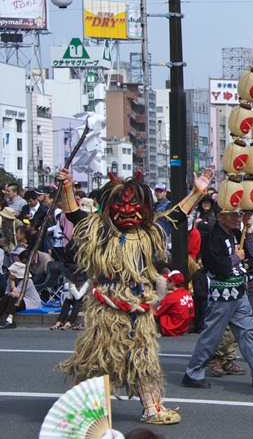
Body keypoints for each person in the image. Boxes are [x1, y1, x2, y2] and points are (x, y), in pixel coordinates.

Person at [56, 166, 212, 425]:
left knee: (145, 359)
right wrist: (66, 186)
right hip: (107, 309)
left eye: (135, 204)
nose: (128, 210)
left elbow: (176, 215)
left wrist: (197, 192)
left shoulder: (149, 231)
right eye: (121, 204)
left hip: (139, 310)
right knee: (96, 361)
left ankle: (152, 408)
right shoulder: (99, 230)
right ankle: (83, 410)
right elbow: (73, 213)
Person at [182, 208, 253, 395]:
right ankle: (193, 372)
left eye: (238, 215)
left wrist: (248, 229)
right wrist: (235, 258)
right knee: (212, 335)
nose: (237, 218)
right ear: (219, 217)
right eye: (232, 215)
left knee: (249, 331)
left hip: (239, 291)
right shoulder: (211, 238)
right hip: (222, 293)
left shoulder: (236, 233)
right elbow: (218, 266)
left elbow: (251, 253)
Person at [0, 261, 42, 329]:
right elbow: (7, 292)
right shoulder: (10, 279)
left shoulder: (27, 281)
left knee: (13, 298)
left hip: (30, 302)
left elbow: (17, 294)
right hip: (19, 300)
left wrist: (12, 283)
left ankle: (9, 320)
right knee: (5, 298)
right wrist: (10, 292)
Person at [154, 271, 194, 337]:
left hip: (170, 328)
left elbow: (156, 313)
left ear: (173, 283)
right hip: (183, 329)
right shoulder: (187, 293)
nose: (166, 283)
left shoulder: (172, 297)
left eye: (168, 281)